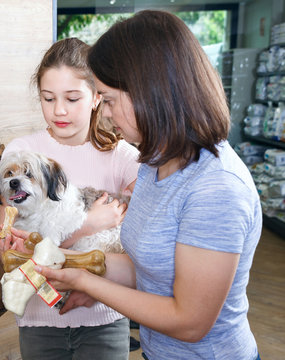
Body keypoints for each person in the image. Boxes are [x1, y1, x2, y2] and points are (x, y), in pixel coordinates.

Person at [32, 10, 262, 360]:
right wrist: (66, 260)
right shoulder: (154, 164)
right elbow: (148, 268)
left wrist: (85, 281)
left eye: (108, 100)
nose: (104, 114)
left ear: (149, 92)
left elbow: (189, 322)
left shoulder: (216, 188)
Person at [0, 38, 140, 359]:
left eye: (72, 98)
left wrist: (94, 289)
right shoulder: (21, 155)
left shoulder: (125, 157)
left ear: (96, 97)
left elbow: (142, 250)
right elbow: (13, 247)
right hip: (39, 319)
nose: (59, 110)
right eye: (48, 98)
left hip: (106, 318)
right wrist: (87, 225)